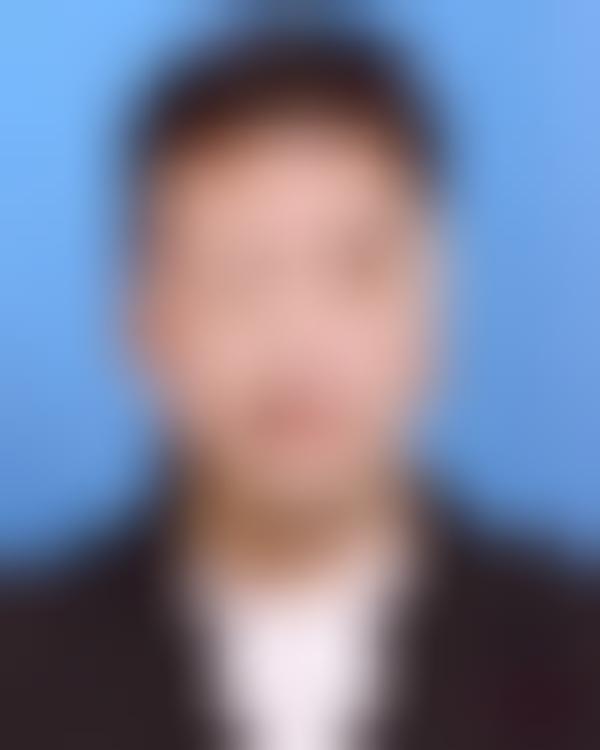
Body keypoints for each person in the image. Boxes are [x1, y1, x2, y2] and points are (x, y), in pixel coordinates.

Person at [0, 33, 593, 750]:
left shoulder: (576, 657)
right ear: (141, 323)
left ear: (436, 311)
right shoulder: (19, 673)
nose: (296, 342)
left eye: (352, 270)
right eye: (238, 275)